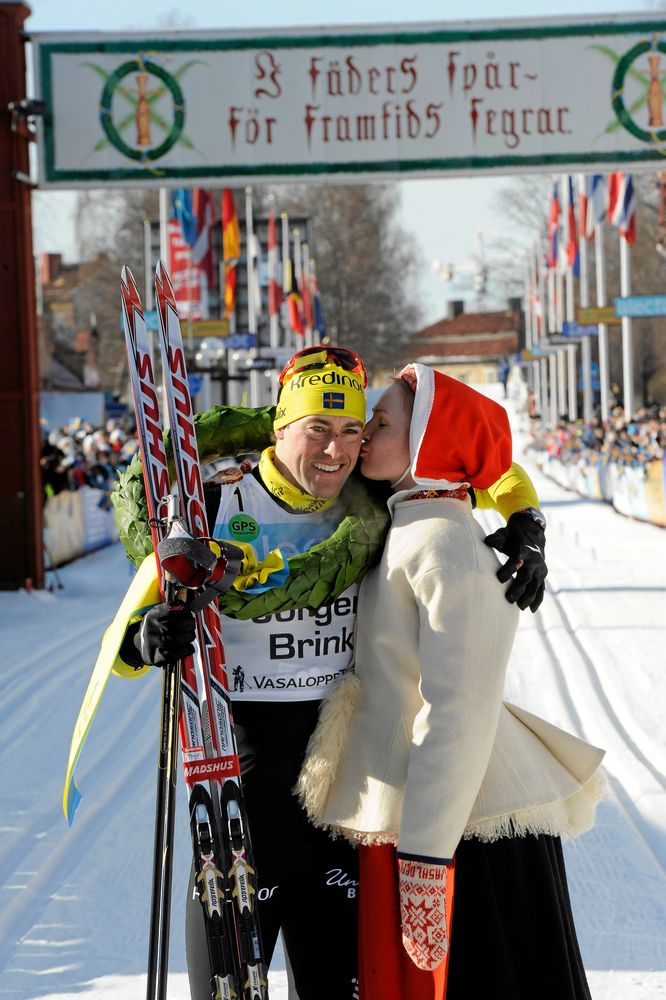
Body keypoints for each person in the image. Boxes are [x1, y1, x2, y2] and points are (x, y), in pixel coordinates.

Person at [114, 347, 550, 1000]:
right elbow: (127, 644)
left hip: (345, 800)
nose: (336, 449)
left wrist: (527, 519)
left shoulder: (370, 496)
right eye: (317, 428)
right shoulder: (211, 500)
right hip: (242, 800)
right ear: (279, 425)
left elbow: (485, 461)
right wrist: (145, 640)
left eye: (352, 430)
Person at [297, 364, 605, 1000]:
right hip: (422, 813)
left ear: (429, 440)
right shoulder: (410, 524)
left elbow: (457, 711)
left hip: (455, 826)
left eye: (381, 424)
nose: (362, 435)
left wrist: (427, 857)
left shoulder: (445, 548)